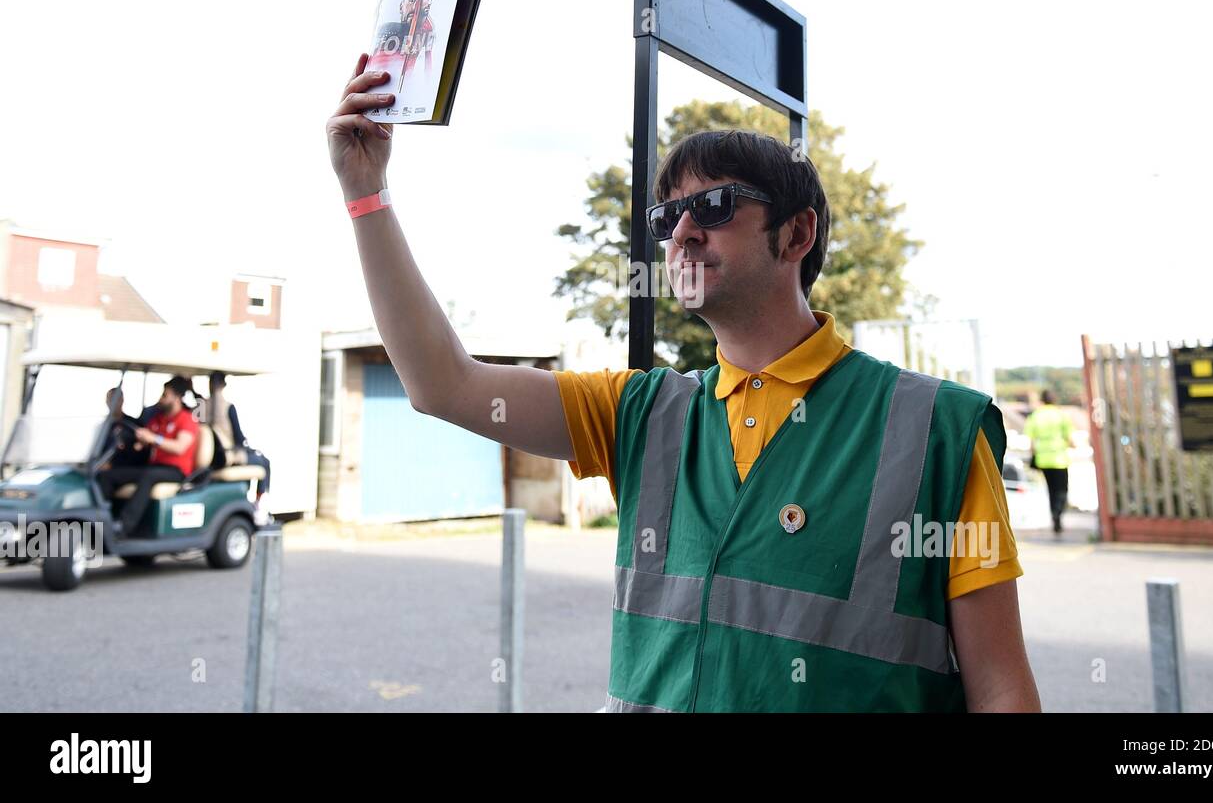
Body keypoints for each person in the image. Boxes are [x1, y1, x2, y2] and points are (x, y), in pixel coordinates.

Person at [325, 54, 1041, 712]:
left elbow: (1002, 688)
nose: (683, 232)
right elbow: (440, 383)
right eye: (669, 217)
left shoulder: (936, 430)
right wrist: (366, 192)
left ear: (796, 236)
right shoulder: (640, 414)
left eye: (717, 206)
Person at [98, 377, 199, 538]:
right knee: (110, 475)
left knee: (148, 476)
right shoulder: (159, 419)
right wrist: (139, 442)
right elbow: (144, 438)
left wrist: (154, 439)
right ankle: (101, 519)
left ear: (177, 398)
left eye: (165, 395)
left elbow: (180, 447)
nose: (161, 399)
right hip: (155, 466)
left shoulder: (186, 420)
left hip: (176, 471)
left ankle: (124, 526)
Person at [205, 371, 271, 507]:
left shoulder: (203, 405)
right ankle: (259, 503)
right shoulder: (228, 407)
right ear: (223, 385)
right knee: (263, 461)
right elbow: (238, 437)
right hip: (227, 454)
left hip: (210, 454)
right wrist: (246, 445)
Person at [1024, 389, 1075, 534]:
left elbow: (1031, 441)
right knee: (1062, 490)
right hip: (1059, 458)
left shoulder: (1035, 416)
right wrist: (1073, 445)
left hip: (1043, 459)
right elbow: (1069, 438)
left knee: (1051, 489)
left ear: (1042, 400)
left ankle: (1054, 515)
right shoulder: (1060, 415)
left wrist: (1034, 454)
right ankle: (1058, 514)